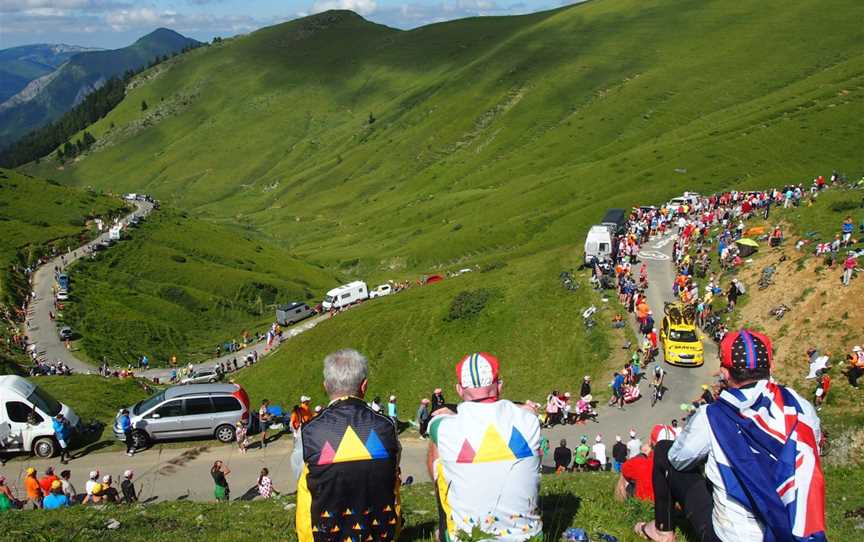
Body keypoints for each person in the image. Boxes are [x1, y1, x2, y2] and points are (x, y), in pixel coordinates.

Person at [635, 329, 826, 542]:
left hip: (731, 536)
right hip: (794, 529)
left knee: (664, 449)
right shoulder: (801, 407)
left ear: (724, 373)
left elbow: (679, 459)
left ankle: (662, 530)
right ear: (770, 366)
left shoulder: (713, 415)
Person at [427, 352, 542, 541]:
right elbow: (529, 413)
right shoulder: (529, 420)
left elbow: (435, 421)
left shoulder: (443, 427)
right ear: (500, 386)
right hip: (530, 536)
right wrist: (525, 409)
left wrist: (448, 414)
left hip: (467, 538)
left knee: (437, 448)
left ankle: (446, 525)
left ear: (459, 389)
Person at [292, 349, 401, 542]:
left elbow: (299, 477)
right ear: (364, 386)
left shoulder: (309, 431)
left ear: (325, 386)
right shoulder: (387, 426)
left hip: (324, 533)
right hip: (381, 532)